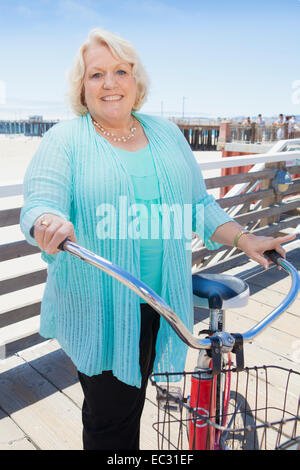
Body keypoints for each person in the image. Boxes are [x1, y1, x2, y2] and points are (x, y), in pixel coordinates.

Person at [20, 28, 296, 450]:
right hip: (102, 306)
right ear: (82, 86)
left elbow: (198, 204)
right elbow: (41, 202)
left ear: (136, 79)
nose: (110, 83)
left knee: (134, 401)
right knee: (110, 422)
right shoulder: (65, 140)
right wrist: (47, 221)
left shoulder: (165, 133)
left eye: (120, 71)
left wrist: (245, 239)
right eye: (96, 75)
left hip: (162, 302)